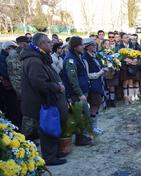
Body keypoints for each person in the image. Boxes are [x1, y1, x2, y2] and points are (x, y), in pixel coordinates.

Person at [20, 33, 68, 165]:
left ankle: (54, 152)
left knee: (50, 128)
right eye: (48, 42)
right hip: (41, 103)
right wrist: (57, 87)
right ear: (40, 44)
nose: (51, 44)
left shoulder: (39, 57)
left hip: (46, 101)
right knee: (47, 129)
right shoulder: (34, 60)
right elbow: (39, 83)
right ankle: (49, 157)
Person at [61, 36, 93, 146]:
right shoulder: (70, 59)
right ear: (75, 47)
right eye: (81, 45)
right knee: (80, 115)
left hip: (82, 90)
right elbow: (73, 79)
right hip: (77, 93)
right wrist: (79, 94)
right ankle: (79, 138)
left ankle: (81, 136)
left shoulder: (77, 56)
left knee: (83, 114)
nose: (83, 46)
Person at [83, 38, 108, 134]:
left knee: (97, 106)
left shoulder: (95, 56)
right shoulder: (85, 58)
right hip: (92, 85)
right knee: (94, 105)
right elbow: (88, 74)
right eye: (93, 45)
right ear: (87, 47)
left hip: (99, 83)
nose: (95, 46)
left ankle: (95, 126)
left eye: (95, 45)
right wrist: (100, 72)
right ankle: (92, 128)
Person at [1, 41, 21, 127]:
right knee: (12, 109)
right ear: (7, 49)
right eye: (13, 48)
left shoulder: (7, 57)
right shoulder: (3, 58)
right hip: (7, 88)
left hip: (11, 87)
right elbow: (6, 73)